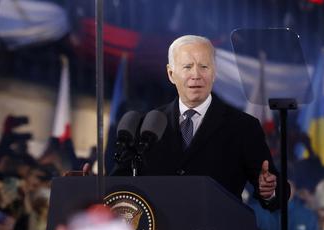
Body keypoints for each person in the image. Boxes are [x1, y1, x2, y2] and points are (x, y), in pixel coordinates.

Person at [112, 35, 282, 209]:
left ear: (214, 72)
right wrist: (89, 184)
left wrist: (269, 191)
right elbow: (117, 187)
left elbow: (278, 193)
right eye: (187, 67)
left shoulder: (243, 127)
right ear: (171, 74)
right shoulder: (147, 125)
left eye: (204, 67)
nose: (196, 75)